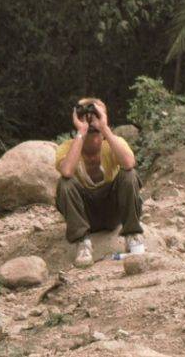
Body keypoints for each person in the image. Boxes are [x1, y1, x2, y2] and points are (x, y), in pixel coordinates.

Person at [54, 98, 144, 267]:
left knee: (129, 174)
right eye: (85, 115)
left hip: (113, 212)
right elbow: (66, 172)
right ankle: (82, 242)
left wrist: (104, 128)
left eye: (95, 113)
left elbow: (129, 163)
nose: (91, 119)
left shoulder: (113, 144)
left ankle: (132, 234)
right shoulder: (67, 148)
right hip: (86, 215)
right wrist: (81, 131)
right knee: (65, 182)